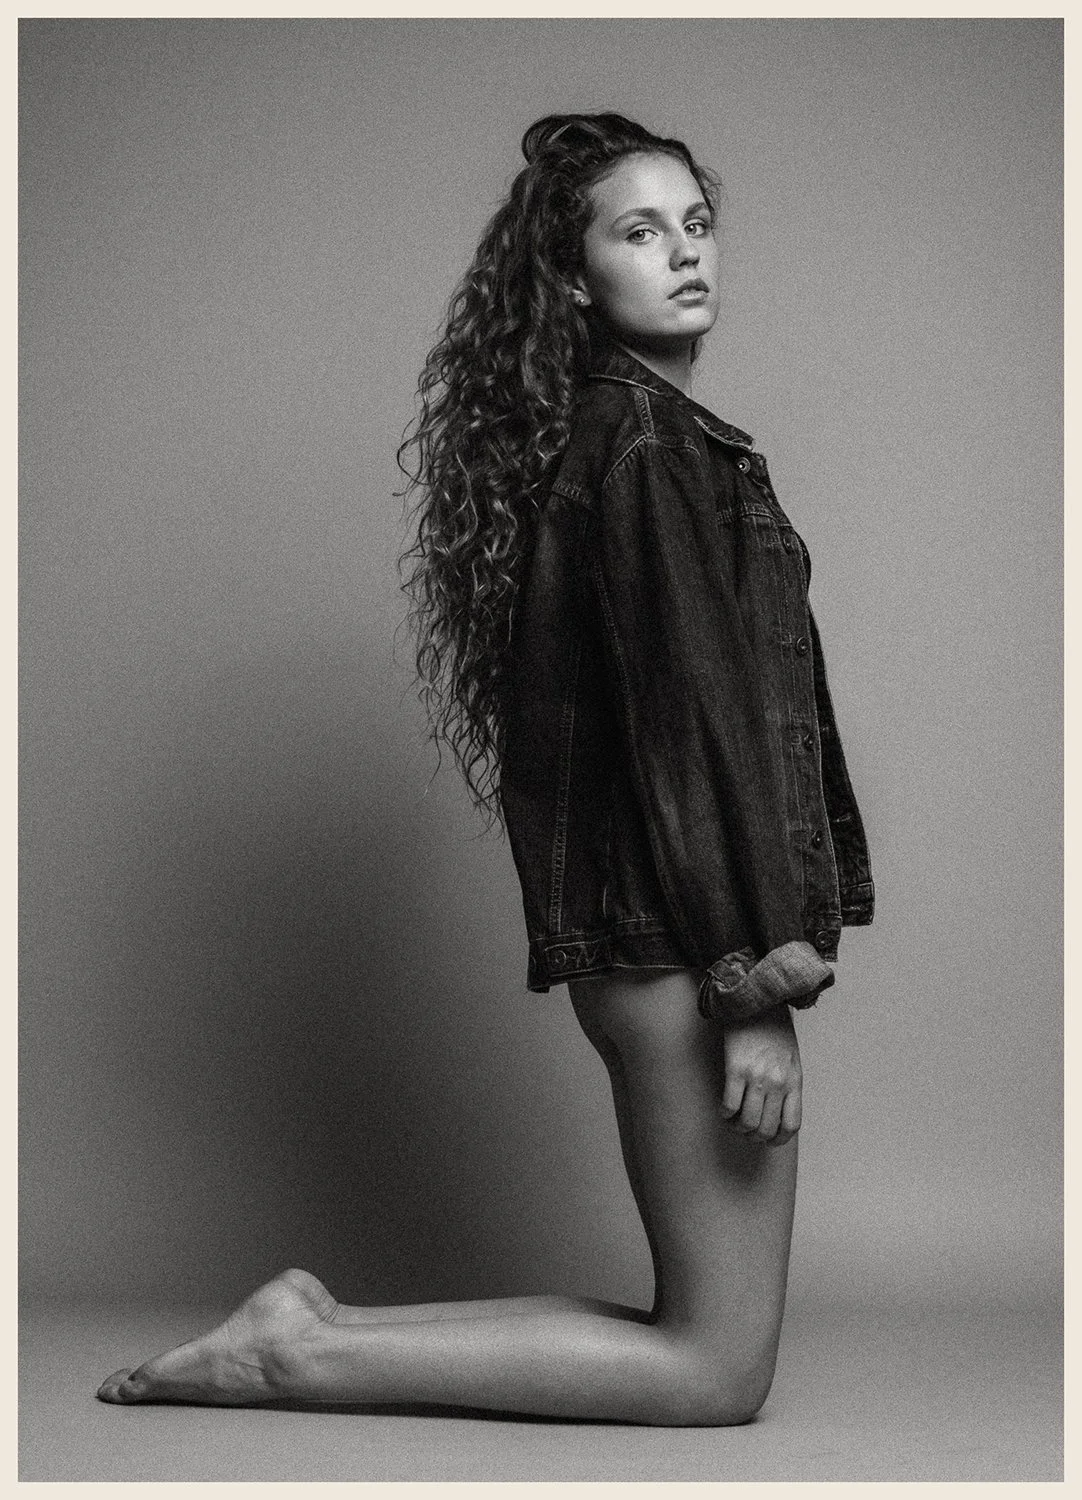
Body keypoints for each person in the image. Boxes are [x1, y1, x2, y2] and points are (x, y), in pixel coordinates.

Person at [97, 112, 873, 1426]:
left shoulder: (628, 442)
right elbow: (694, 730)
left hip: (664, 943)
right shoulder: (649, 454)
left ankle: (310, 1330)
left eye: (695, 222)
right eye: (639, 231)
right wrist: (756, 979)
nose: (683, 253)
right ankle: (292, 1361)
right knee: (715, 1370)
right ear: (574, 280)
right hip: (694, 952)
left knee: (696, 1333)